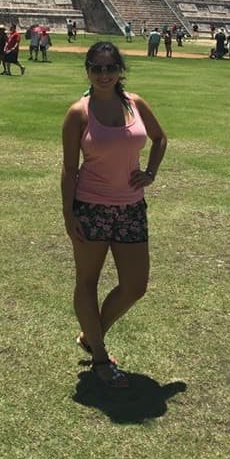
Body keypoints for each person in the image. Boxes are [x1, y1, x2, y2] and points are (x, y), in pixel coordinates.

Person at [61, 42, 167, 387]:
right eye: (97, 68)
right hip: (91, 207)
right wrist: (68, 213)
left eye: (110, 68)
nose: (104, 75)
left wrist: (150, 172)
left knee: (136, 285)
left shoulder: (135, 104)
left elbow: (160, 138)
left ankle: (93, 334)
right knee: (87, 282)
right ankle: (101, 359)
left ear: (120, 70)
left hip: (131, 207)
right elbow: (68, 170)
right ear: (88, 71)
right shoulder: (78, 113)